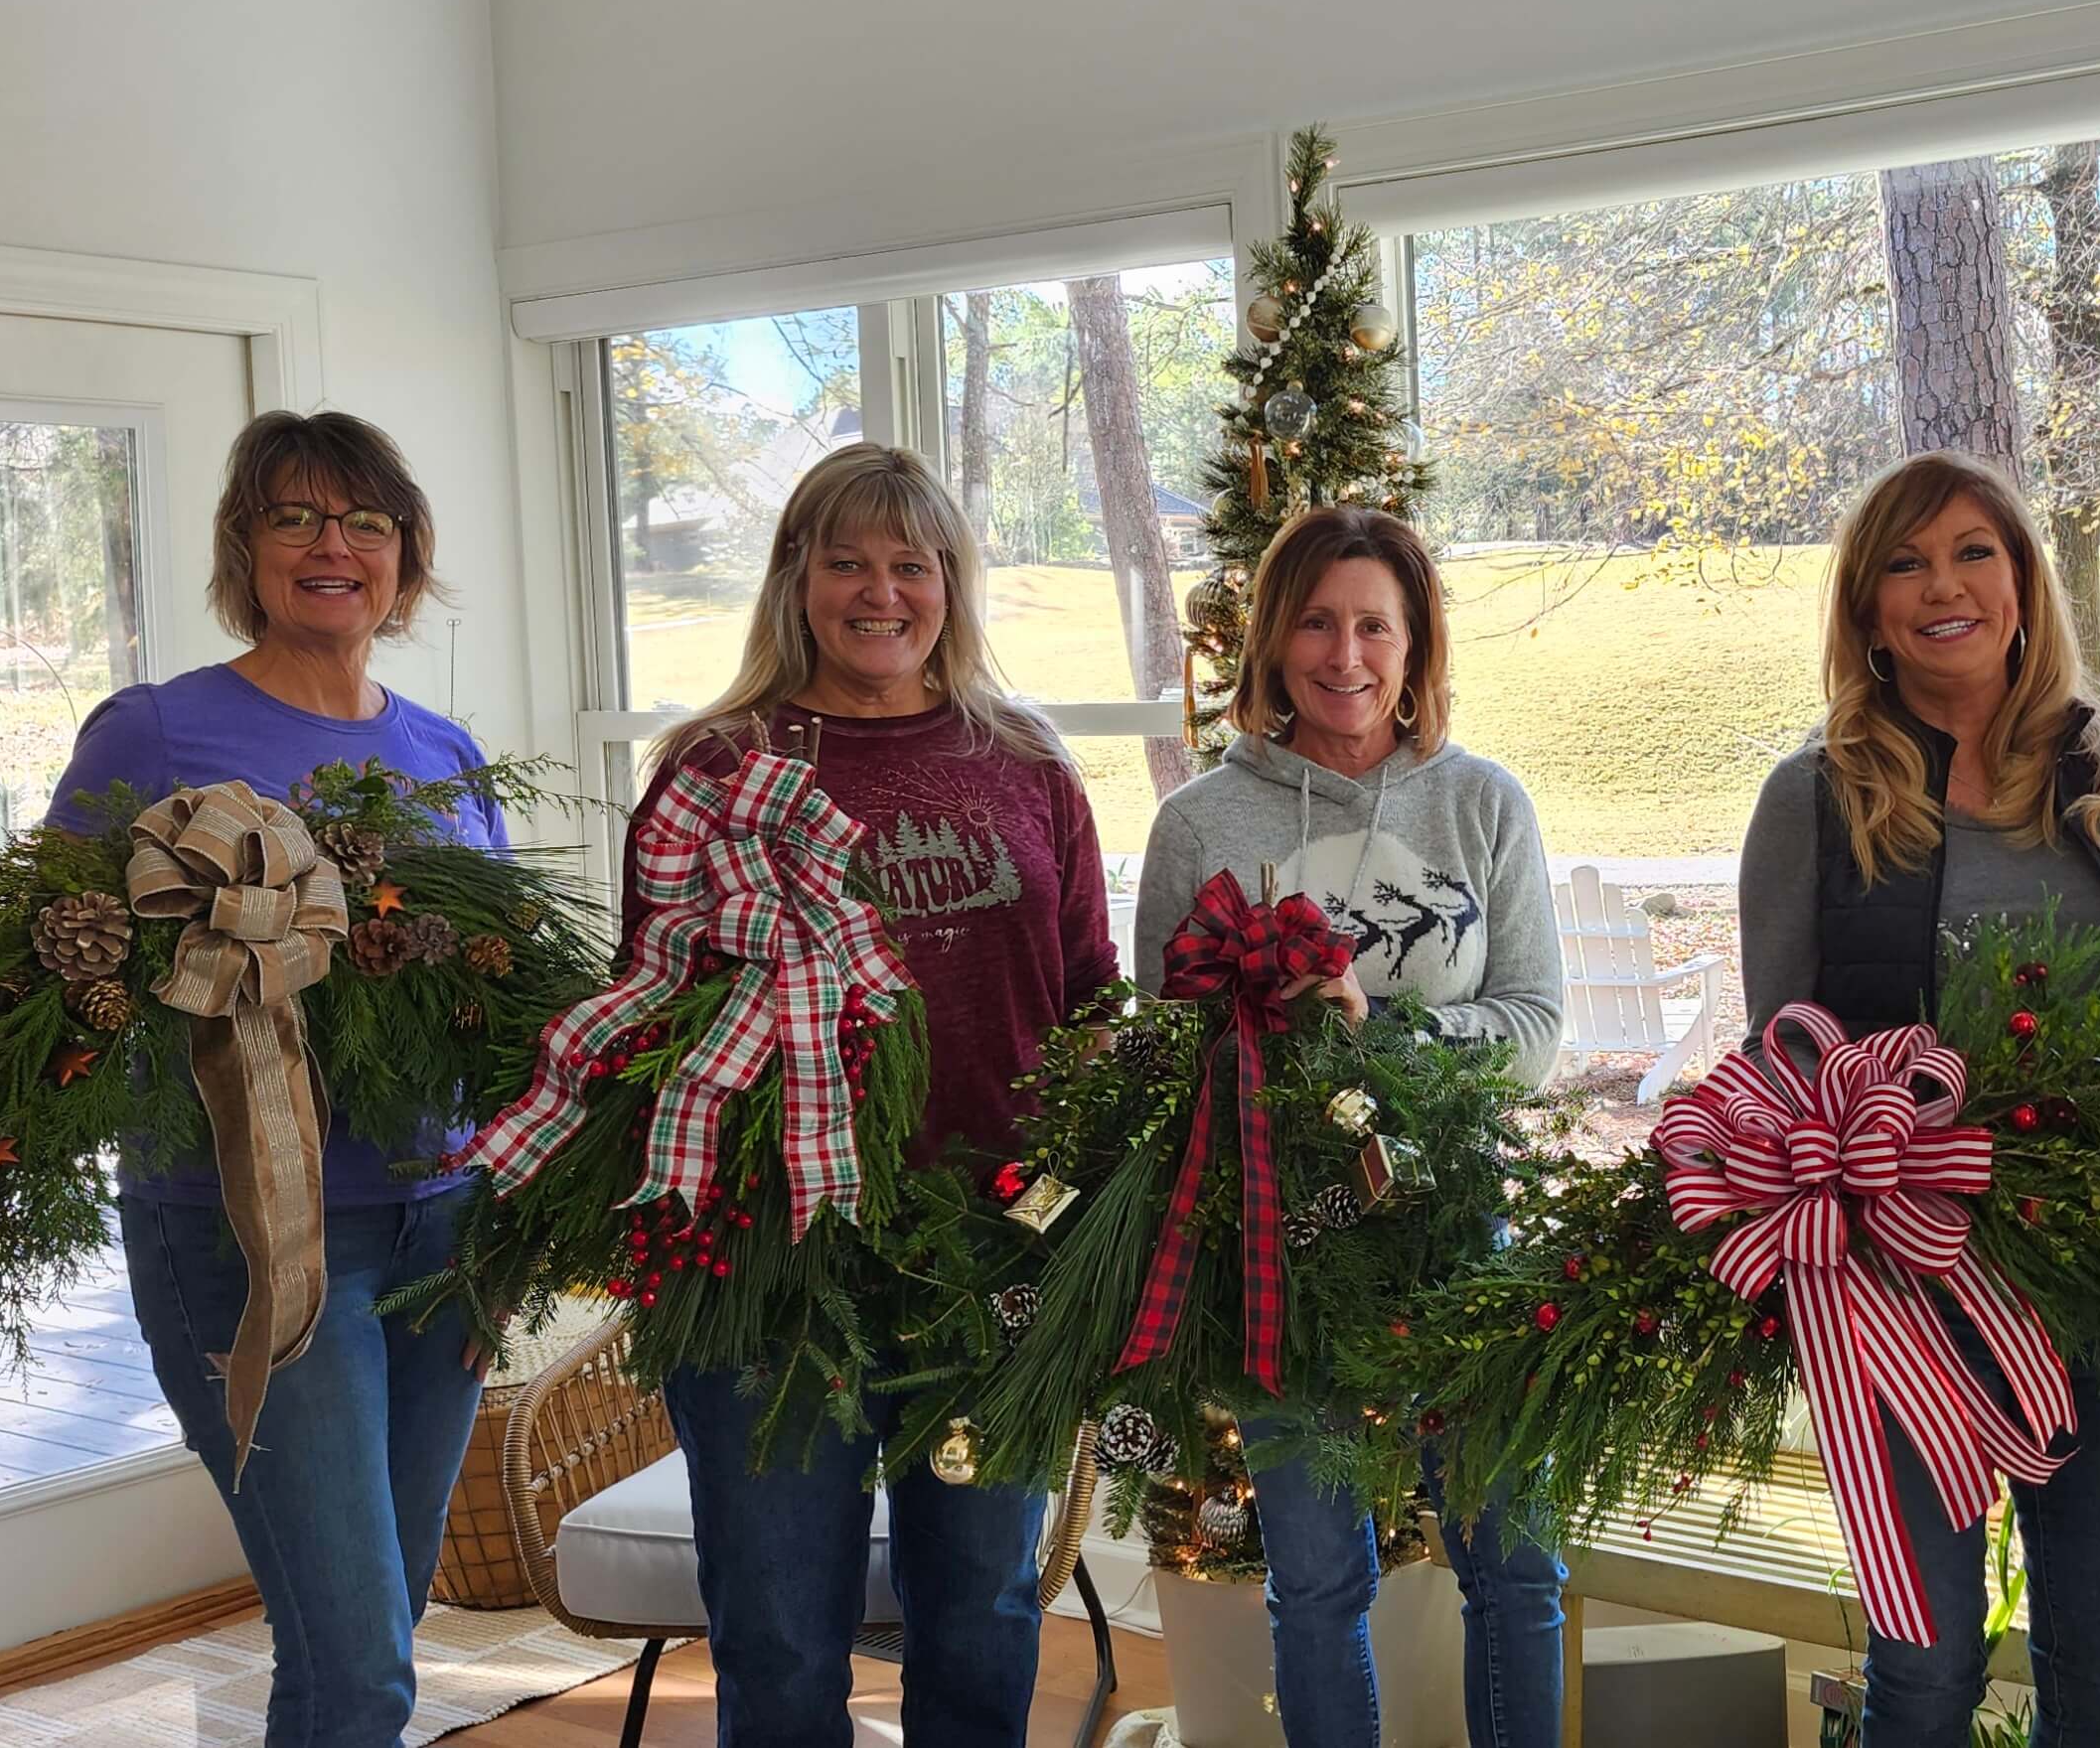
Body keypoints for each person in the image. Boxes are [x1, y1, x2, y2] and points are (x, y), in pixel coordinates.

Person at [633, 443, 1116, 1747]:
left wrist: (1088, 1219)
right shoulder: (715, 768)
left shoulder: (1023, 759)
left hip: (991, 1256)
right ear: (795, 577)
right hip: (770, 1266)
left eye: (912, 563)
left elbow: (1087, 994)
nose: (879, 591)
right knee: (780, 1632)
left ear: (951, 583)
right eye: (845, 560)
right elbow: (647, 1010)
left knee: (981, 1614)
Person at [49, 409, 500, 1746]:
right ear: (243, 547)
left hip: (444, 1227)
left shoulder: (445, 749)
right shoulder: (155, 730)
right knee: (360, 1662)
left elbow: (498, 994)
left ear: (405, 554)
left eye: (364, 520)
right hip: (248, 1234)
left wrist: (516, 1219)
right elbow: (50, 957)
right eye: (293, 516)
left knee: (363, 1636)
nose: (330, 545)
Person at [1734, 449, 2100, 1748]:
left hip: (2099, 1284)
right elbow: (1780, 1060)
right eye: (1905, 562)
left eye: (1973, 552)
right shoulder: (1815, 797)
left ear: (2022, 582)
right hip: (1900, 1297)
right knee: (1924, 1674)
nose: (1943, 586)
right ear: (1868, 610)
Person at [1130, 506, 1567, 1748]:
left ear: (1415, 642)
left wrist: (1374, 1040)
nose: (1345, 654)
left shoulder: (1482, 803)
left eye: (1374, 624)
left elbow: (1535, 1025)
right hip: (1284, 1250)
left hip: (1464, 1233)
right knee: (1318, 1584)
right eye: (1316, 622)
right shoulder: (1201, 824)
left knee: (1515, 1566)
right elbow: (1167, 1054)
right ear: (1273, 639)